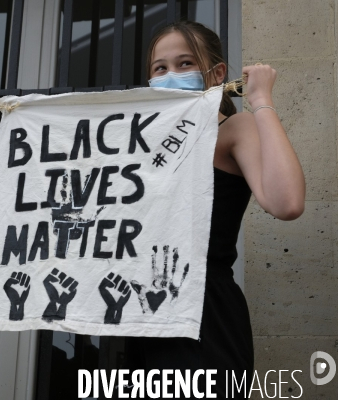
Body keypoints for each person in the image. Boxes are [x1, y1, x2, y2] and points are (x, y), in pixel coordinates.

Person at [117, 20, 306, 398]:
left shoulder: (233, 130)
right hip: (141, 316)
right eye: (160, 68)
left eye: (185, 64)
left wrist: (261, 101)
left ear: (216, 73)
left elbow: (286, 202)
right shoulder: (136, 143)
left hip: (206, 316)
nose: (171, 75)